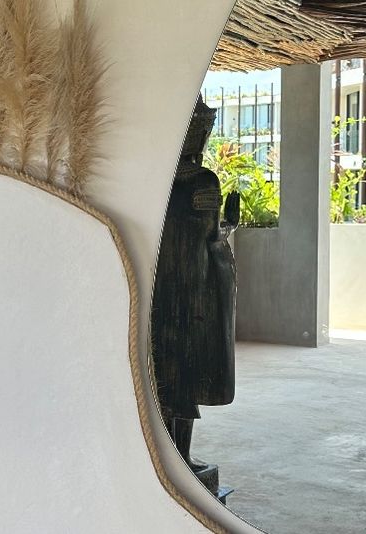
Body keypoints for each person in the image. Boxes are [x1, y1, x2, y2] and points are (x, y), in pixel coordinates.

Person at [151, 95, 238, 474]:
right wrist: (229, 226)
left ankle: (166, 456)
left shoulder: (152, 182)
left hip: (157, 289)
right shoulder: (203, 181)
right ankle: (180, 457)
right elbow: (210, 237)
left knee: (163, 375)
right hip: (193, 291)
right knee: (185, 377)